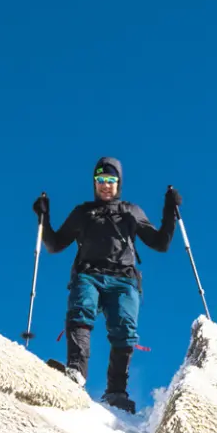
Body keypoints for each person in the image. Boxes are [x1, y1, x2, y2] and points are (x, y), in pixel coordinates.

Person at [32, 157, 180, 413]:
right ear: (94, 183)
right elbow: (55, 244)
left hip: (124, 279)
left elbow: (160, 243)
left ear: (118, 183)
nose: (106, 186)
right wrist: (43, 217)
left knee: (124, 328)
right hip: (88, 274)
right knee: (81, 310)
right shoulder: (83, 213)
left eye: (111, 181)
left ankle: (116, 392)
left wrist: (170, 211)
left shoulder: (130, 211)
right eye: (101, 180)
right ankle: (76, 371)